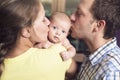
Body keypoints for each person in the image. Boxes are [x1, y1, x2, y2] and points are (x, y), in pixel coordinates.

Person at [0, 0, 77, 80]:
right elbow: (73, 70)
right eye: (43, 19)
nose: (48, 22)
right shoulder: (56, 52)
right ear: (26, 31)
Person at [70, 0, 120, 79]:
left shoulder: (111, 72)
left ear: (98, 25)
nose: (72, 17)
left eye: (79, 14)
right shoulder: (93, 55)